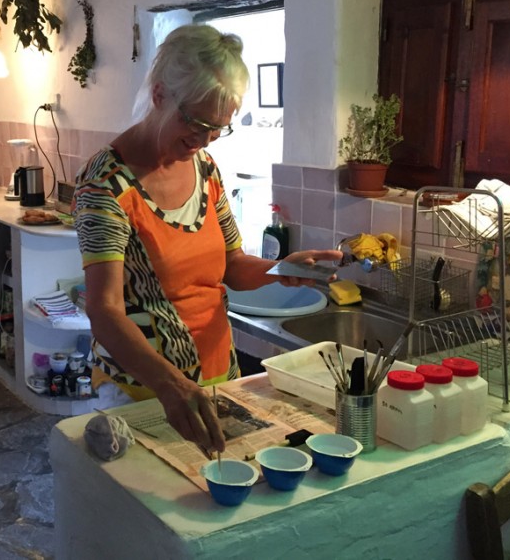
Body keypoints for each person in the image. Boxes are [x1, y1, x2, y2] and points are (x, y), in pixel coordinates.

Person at [73, 24, 342, 454]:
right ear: (160, 95)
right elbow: (104, 310)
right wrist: (169, 385)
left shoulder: (206, 171)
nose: (204, 140)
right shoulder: (106, 184)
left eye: (219, 128)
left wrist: (280, 268)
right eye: (196, 123)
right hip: (142, 393)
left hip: (218, 381)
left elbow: (232, 266)